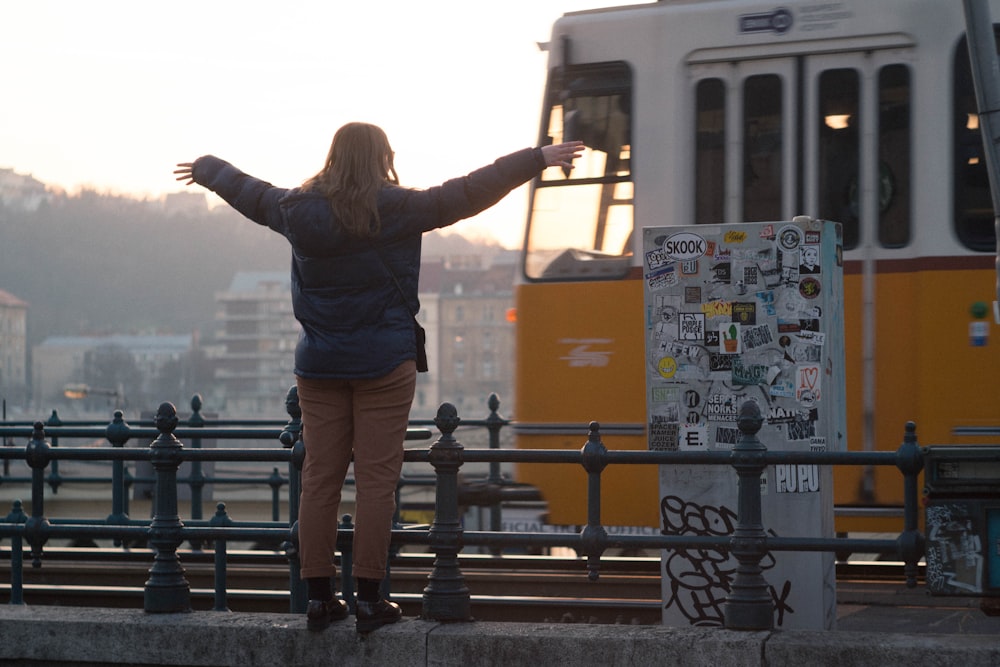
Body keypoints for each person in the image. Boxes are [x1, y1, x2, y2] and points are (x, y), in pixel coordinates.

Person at [175, 124, 583, 633]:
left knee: (319, 481)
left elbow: (246, 190)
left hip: (319, 366)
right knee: (376, 481)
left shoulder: (294, 210)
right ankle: (370, 597)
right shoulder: (398, 207)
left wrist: (208, 167)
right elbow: (470, 190)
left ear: (333, 158)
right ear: (382, 159)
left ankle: (319, 598)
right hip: (385, 364)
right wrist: (537, 157)